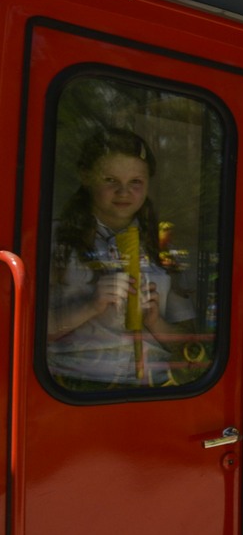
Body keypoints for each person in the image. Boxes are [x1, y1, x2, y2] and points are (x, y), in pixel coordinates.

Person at [47, 127, 193, 387]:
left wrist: (155, 321)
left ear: (148, 184)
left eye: (135, 182)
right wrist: (90, 306)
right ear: (86, 177)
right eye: (110, 180)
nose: (124, 192)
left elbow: (189, 343)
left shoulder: (161, 245)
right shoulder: (55, 240)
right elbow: (21, 331)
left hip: (155, 388)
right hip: (74, 386)